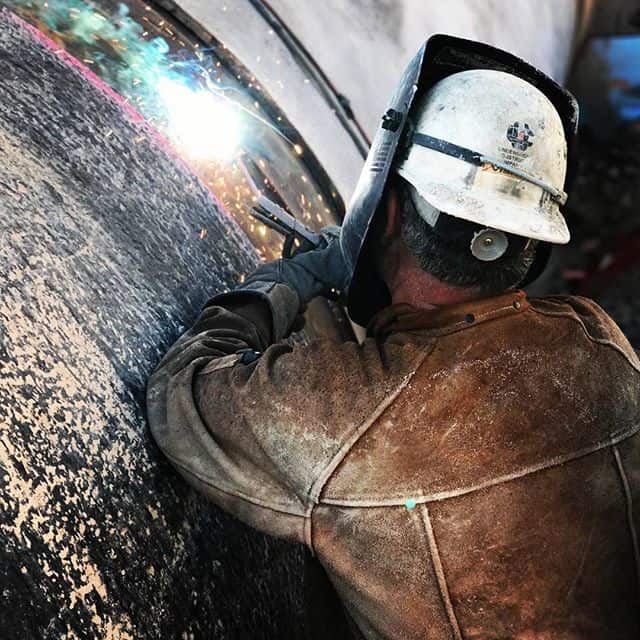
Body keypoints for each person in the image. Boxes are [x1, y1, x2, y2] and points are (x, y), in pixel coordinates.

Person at [146, 35, 640, 639]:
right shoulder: (599, 344)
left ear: (386, 211)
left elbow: (182, 395)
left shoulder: (345, 412)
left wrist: (282, 285)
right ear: (530, 248)